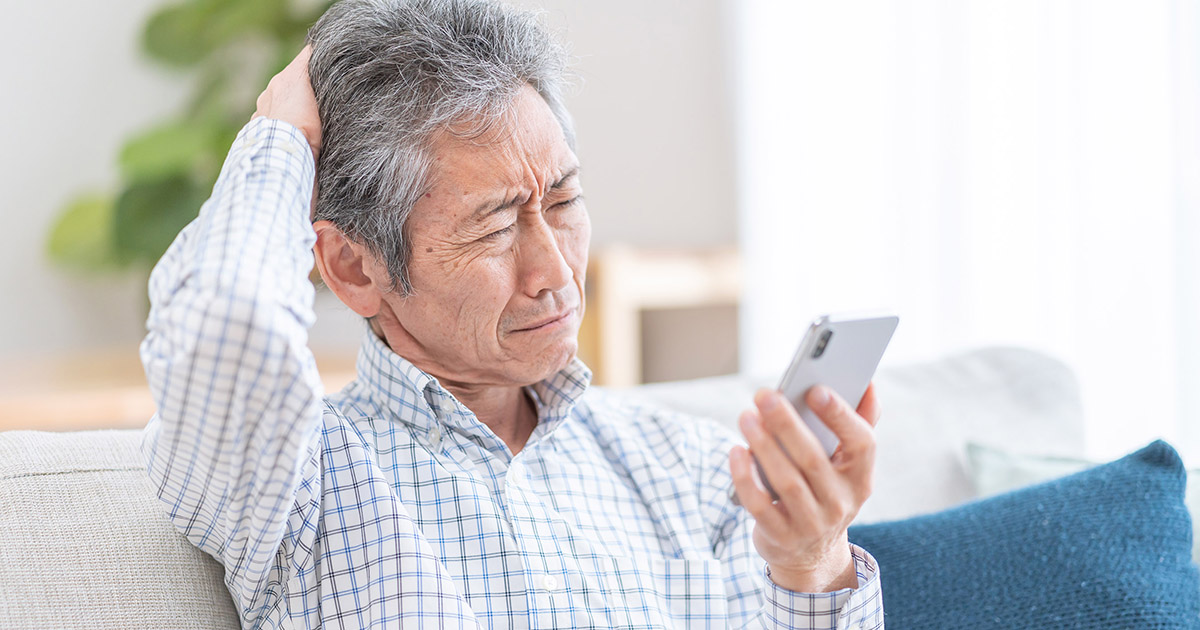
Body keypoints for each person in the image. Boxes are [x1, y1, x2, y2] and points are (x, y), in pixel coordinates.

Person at [140, 0, 885, 627]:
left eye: (562, 202)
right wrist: (281, 137)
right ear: (352, 267)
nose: (557, 273)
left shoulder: (698, 475)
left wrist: (811, 561)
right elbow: (228, 325)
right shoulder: (298, 484)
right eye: (495, 227)